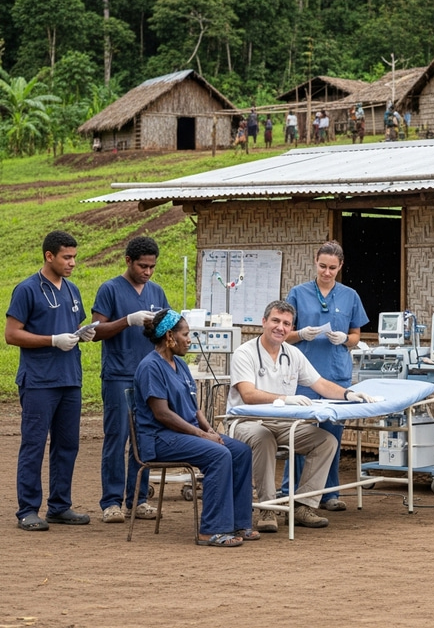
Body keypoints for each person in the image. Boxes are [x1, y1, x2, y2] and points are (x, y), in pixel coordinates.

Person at [227, 300, 375, 531]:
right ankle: (267, 507)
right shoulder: (244, 353)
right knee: (263, 437)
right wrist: (284, 399)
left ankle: (303, 506)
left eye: (286, 324)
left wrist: (349, 394)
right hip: (246, 422)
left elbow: (321, 384)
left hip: (283, 423)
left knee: (326, 441)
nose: (280, 327)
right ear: (264, 322)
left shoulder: (292, 354)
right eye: (275, 321)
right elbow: (248, 394)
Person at [134, 309, 257, 546]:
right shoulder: (151, 367)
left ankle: (239, 523)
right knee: (219, 455)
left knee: (240, 451)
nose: (190, 339)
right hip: (160, 438)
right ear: (170, 336)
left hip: (185, 435)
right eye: (186, 334)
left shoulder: (179, 365)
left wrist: (209, 431)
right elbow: (162, 414)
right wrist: (202, 435)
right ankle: (211, 530)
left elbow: (194, 408)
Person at [6, 230, 96, 531]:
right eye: (66, 257)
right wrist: (51, 340)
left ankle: (60, 506)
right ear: (49, 256)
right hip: (39, 381)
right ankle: (28, 510)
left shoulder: (72, 289)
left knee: (67, 445)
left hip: (70, 379)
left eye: (74, 257)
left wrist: (84, 332)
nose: (72, 263)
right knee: (34, 444)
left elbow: (73, 323)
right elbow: (12, 334)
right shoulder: (27, 290)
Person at [284, 240, 369, 510]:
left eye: (333, 268)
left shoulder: (350, 296)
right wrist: (301, 334)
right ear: (315, 263)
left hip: (337, 376)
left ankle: (329, 494)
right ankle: (292, 492)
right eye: (323, 266)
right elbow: (283, 333)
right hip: (304, 377)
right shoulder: (298, 293)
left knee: (332, 438)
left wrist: (345, 339)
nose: (327, 272)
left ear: (340, 266)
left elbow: (357, 336)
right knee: (300, 435)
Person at [92, 237, 170, 524]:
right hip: (118, 374)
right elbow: (96, 331)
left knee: (145, 438)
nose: (147, 272)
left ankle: (138, 499)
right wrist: (128, 320)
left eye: (152, 266)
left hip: (148, 376)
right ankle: (111, 502)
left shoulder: (157, 291)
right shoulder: (110, 290)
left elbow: (165, 329)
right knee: (117, 437)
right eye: (142, 266)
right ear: (128, 261)